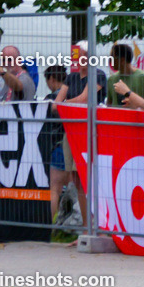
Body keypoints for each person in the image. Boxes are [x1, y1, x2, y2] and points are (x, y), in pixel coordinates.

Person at [55, 42, 107, 230]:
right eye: (79, 55)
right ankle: (86, 227)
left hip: (89, 132)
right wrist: (69, 104)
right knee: (76, 180)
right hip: (72, 132)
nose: (81, 59)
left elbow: (84, 98)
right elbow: (56, 104)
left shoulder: (98, 75)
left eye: (85, 55)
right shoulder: (71, 77)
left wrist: (66, 103)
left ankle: (98, 226)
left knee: (90, 179)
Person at [40, 65, 69, 224]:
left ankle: (50, 226)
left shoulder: (50, 100)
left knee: (54, 189)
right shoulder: (73, 96)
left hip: (56, 146)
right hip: (72, 145)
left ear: (51, 79)